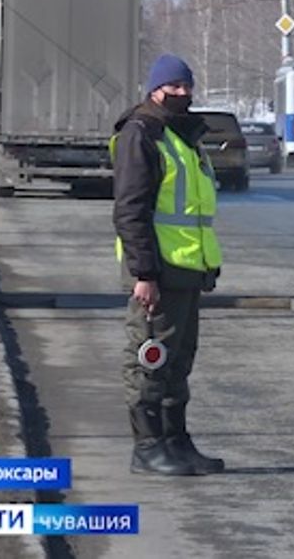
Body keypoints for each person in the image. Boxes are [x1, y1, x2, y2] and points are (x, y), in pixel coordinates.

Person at [110, 53, 224, 476]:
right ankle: (148, 446)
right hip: (156, 272)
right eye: (173, 87)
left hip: (187, 270)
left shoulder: (181, 136)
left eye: (186, 86)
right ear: (155, 88)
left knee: (178, 362)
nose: (182, 93)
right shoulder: (142, 133)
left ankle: (176, 441)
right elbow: (130, 211)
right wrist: (144, 273)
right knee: (149, 359)